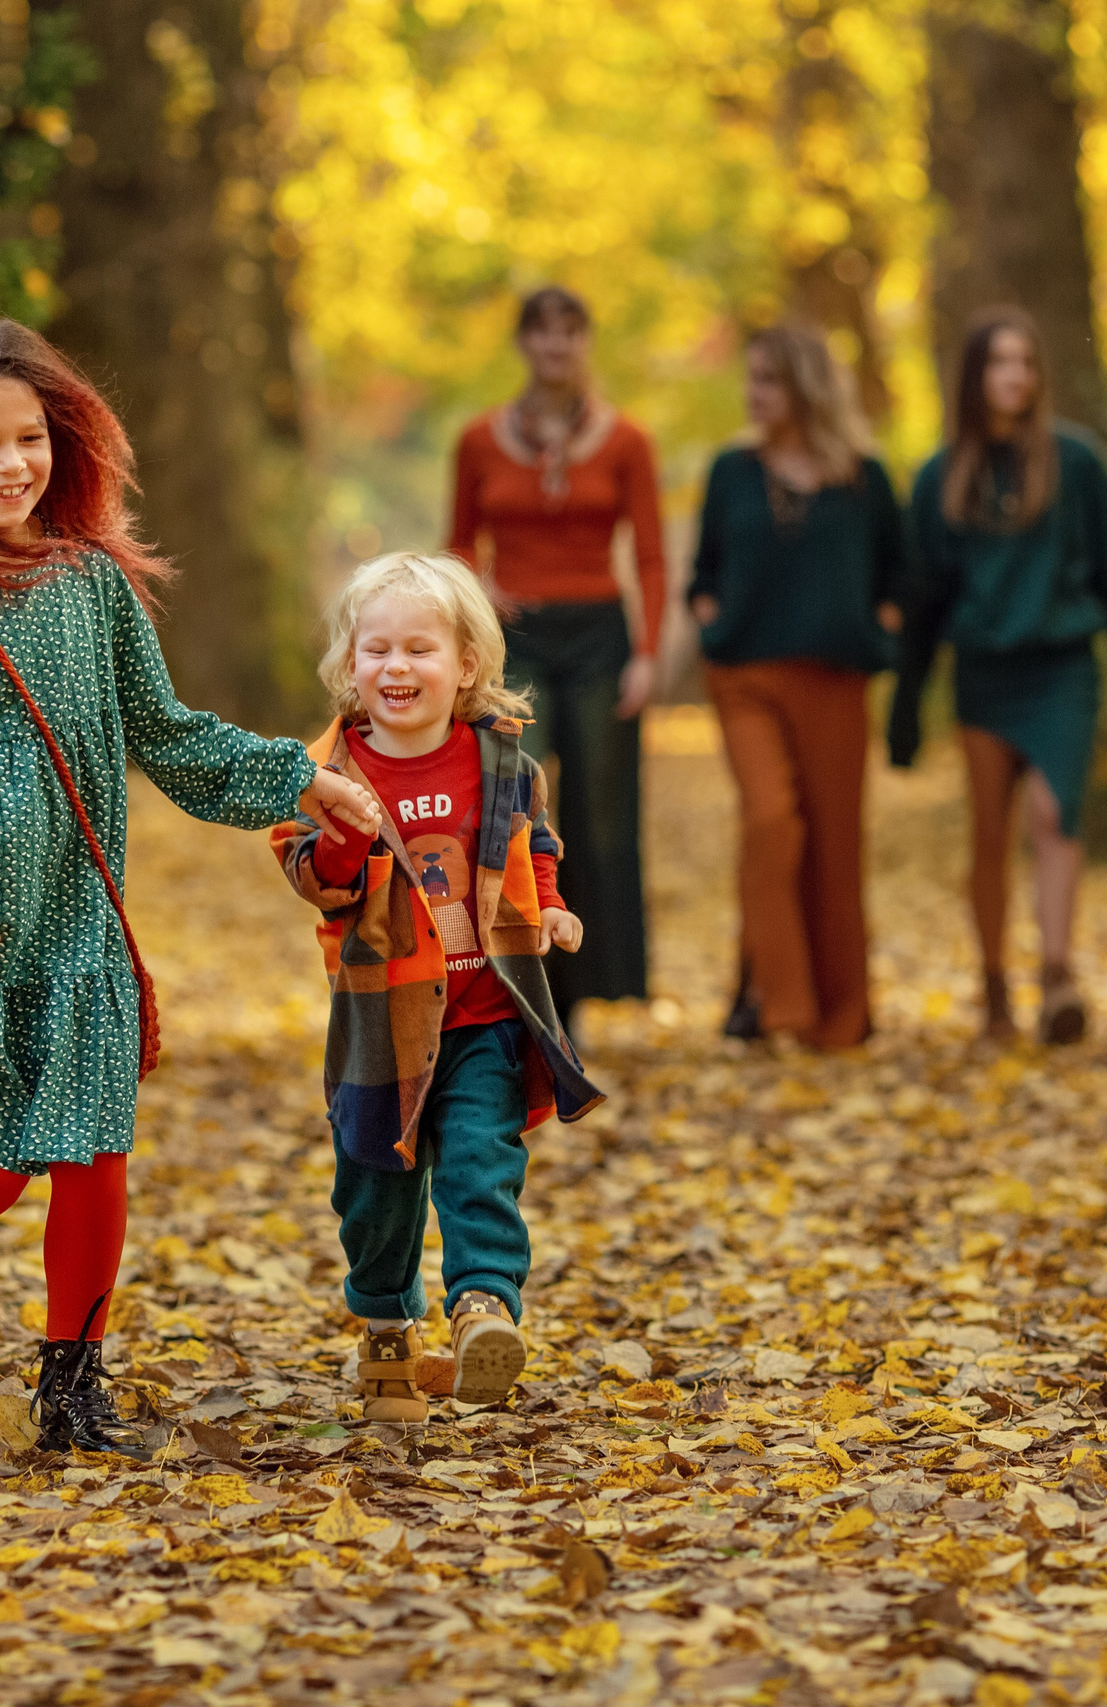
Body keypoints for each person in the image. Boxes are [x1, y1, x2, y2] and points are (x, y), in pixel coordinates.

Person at [0, 317, 381, 1449]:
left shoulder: (93, 584)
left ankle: (72, 1380)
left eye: (31, 438)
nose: (13, 465)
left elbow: (165, 733)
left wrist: (295, 777)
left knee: (95, 1161)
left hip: (80, 921)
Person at [273, 551, 603, 1423]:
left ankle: (483, 1305)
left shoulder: (504, 765)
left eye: (420, 648)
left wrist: (555, 908)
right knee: (374, 1185)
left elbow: (534, 845)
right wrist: (344, 823)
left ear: (466, 665)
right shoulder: (323, 772)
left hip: (487, 1017)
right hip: (380, 1021)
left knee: (481, 1164)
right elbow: (314, 875)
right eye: (375, 649)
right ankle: (386, 1323)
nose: (396, 667)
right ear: (350, 666)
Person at [888, 307, 1107, 1044]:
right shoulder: (940, 478)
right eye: (999, 363)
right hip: (984, 677)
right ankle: (992, 984)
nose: (1015, 376)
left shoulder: (1077, 464)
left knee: (1052, 814)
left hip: (1062, 672)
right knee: (988, 832)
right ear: (975, 378)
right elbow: (922, 603)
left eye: (1026, 363)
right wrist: (906, 707)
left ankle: (1059, 974)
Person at [447, 285, 665, 1028]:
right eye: (542, 333)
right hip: (516, 637)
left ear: (586, 342)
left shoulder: (626, 440)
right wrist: (467, 636)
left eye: (570, 332)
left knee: (601, 813)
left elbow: (654, 555)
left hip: (601, 633)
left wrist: (649, 651)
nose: (556, 347)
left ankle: (596, 983)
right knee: (514, 806)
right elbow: (456, 547)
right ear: (523, 344)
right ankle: (519, 986)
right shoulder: (479, 438)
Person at [688, 323, 906, 1050]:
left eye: (768, 379)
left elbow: (898, 575)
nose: (753, 393)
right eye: (750, 378)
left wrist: (881, 633)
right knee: (771, 820)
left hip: (836, 681)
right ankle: (783, 1001)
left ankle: (839, 1016)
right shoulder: (731, 470)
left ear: (807, 385)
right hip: (746, 676)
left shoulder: (863, 478)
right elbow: (704, 573)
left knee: (835, 848)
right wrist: (710, 625)